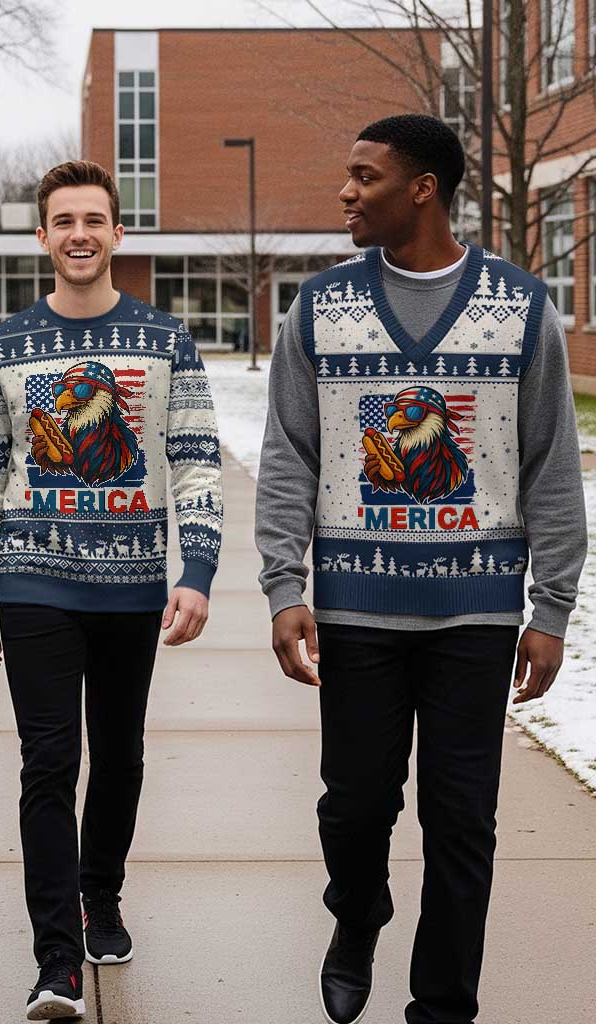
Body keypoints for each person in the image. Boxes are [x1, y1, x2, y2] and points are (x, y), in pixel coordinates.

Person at [256, 113, 586, 1024]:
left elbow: (551, 465)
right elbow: (288, 455)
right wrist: (284, 585)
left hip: (477, 617)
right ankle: (358, 911)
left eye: (365, 177)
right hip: (357, 611)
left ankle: (442, 1007)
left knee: (462, 821)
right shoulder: (320, 307)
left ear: (423, 189)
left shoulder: (521, 307)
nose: (346, 192)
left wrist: (552, 609)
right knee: (354, 809)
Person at [0, 160, 223, 1021]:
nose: (79, 234)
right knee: (48, 760)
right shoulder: (4, 347)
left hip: (133, 585)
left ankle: (99, 894)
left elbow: (196, 460)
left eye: (94, 220)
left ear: (117, 232)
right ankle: (56, 961)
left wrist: (198, 570)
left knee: (120, 753)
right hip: (34, 581)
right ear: (42, 236)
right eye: (64, 221)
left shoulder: (166, 340)